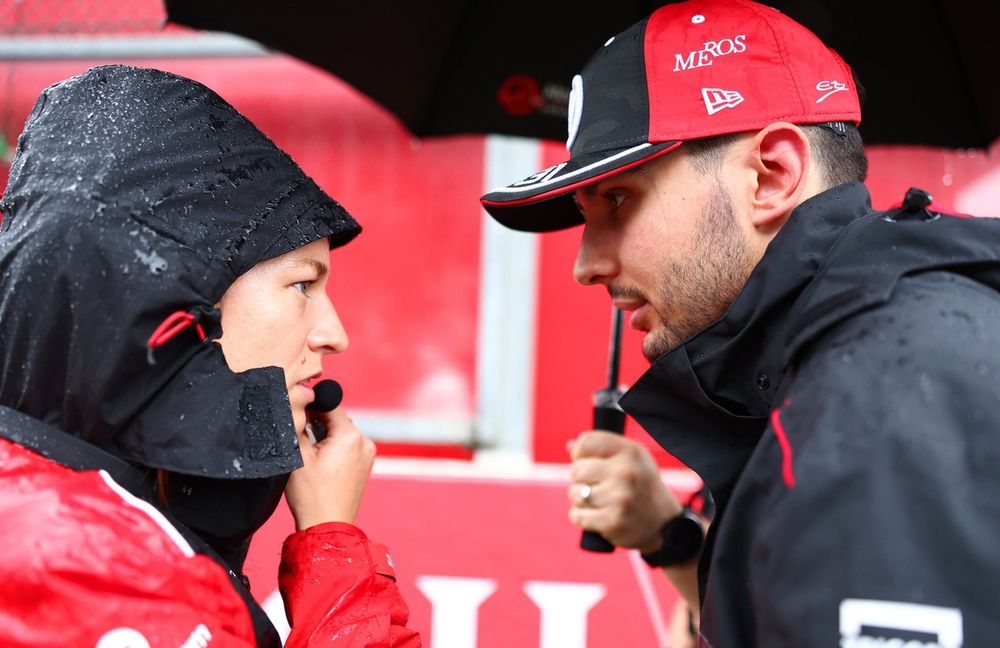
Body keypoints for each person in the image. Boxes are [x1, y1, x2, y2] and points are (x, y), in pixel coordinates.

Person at [481, 0, 1000, 645]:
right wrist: (671, 540)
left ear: (772, 175)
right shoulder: (841, 355)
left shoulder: (877, 399)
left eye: (618, 199)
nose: (586, 265)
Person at [0, 65, 419, 647]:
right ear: (175, 298)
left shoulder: (73, 510)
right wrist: (331, 540)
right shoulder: (100, 565)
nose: (334, 334)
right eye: (302, 286)